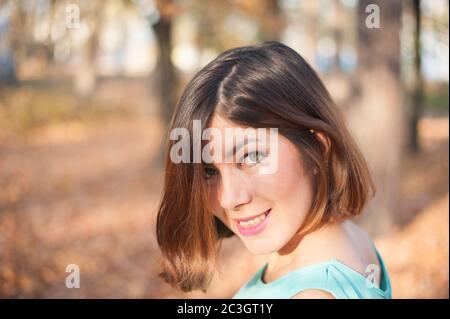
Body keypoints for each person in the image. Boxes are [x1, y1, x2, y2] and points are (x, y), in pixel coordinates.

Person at [156, 42, 392, 299]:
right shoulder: (350, 239)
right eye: (209, 172)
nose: (230, 198)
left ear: (316, 147)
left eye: (252, 156)